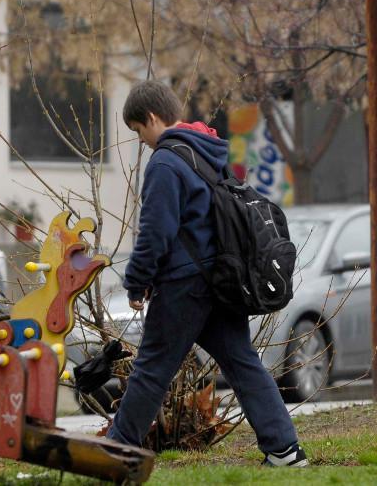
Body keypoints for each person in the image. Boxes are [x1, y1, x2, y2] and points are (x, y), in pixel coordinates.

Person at [106, 80, 307, 467]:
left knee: (151, 368)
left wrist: (137, 280)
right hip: (218, 279)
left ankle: (115, 451)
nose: (142, 141)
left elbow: (155, 232)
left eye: (138, 131)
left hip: (184, 285)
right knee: (242, 362)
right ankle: (284, 450)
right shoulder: (207, 150)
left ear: (150, 118)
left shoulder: (166, 162)